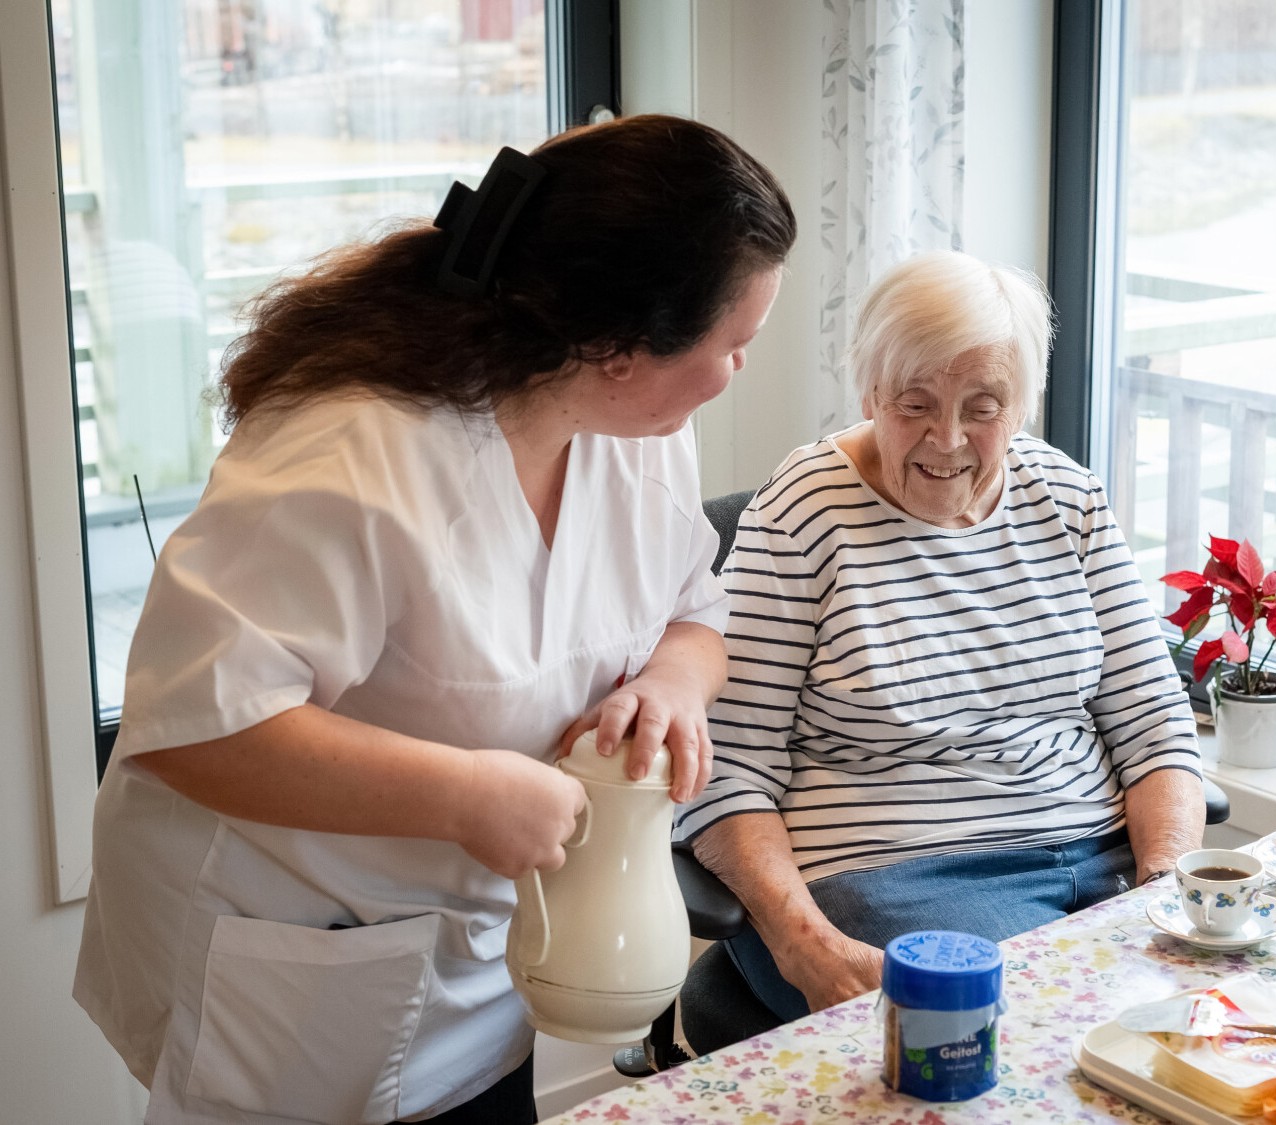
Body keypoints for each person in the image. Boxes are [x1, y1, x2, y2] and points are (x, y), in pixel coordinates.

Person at [73, 115, 795, 1124]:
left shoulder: (637, 433)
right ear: (615, 347)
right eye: (735, 343)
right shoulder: (352, 450)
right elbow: (198, 726)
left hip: (488, 972)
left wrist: (672, 682)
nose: (739, 369)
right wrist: (465, 795)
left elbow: (694, 612)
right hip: (301, 961)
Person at [674, 251, 1204, 1052]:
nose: (947, 438)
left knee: (1221, 1028)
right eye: (914, 403)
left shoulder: (1067, 498)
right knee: (1057, 1054)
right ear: (868, 392)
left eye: (982, 407)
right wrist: (802, 944)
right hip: (897, 876)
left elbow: (1152, 721)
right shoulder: (803, 514)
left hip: (1106, 860)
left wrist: (1164, 887)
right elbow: (725, 768)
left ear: (1021, 404)